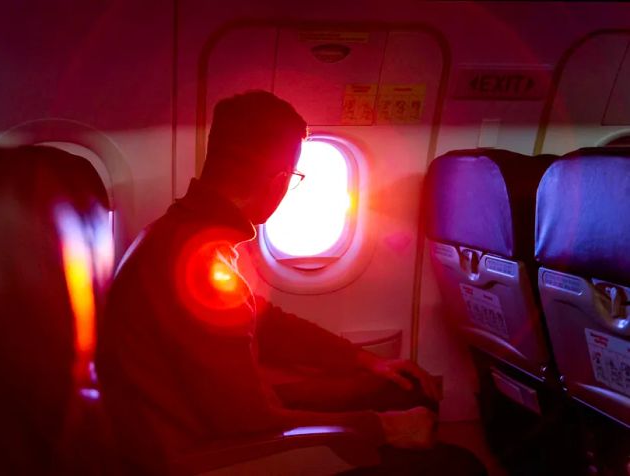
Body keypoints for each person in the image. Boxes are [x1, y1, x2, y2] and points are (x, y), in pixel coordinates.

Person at [96, 90, 487, 475]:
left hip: (210, 419)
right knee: (459, 467)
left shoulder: (185, 236)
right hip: (200, 456)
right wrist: (384, 428)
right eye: (295, 177)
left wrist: (368, 362)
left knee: (395, 389)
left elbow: (269, 324)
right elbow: (244, 420)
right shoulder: (198, 264)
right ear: (279, 180)